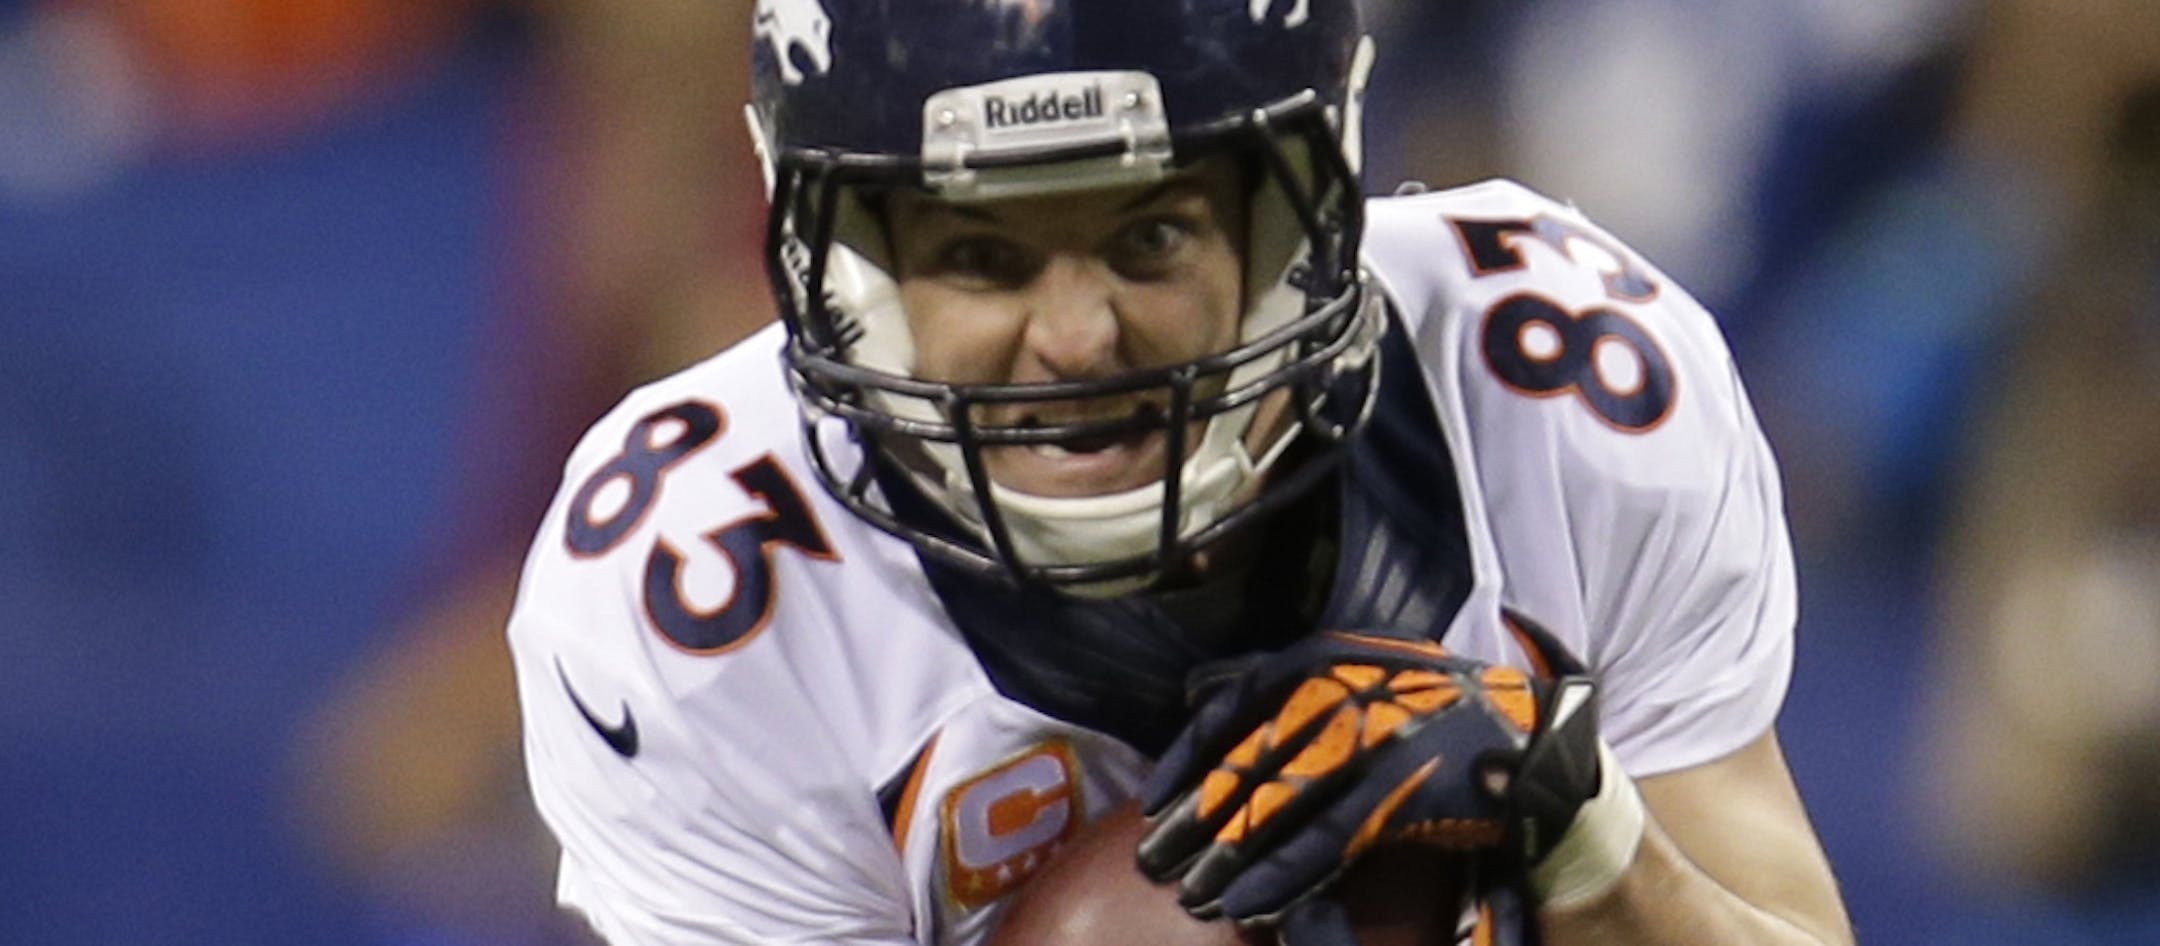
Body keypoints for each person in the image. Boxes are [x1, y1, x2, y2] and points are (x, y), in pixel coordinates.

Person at [506, 1, 1854, 944]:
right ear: (855, 271)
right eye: (984, 256)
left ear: (1297, 222)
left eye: (1151, 234)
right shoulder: (700, 582)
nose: (1080, 335)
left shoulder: (1551, 377)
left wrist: (1578, 827)